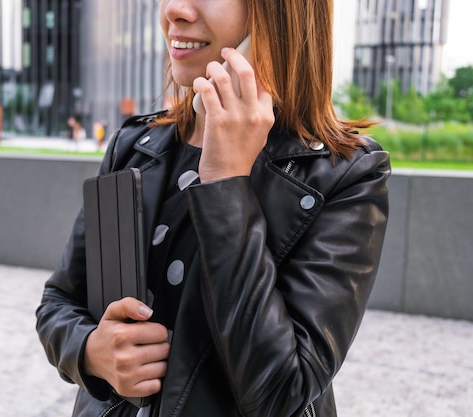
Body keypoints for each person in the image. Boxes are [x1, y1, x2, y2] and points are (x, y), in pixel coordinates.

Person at [36, 0, 390, 416]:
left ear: (280, 14)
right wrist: (92, 351)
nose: (174, 10)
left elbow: (281, 391)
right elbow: (60, 302)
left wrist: (226, 181)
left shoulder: (343, 174)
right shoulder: (136, 146)